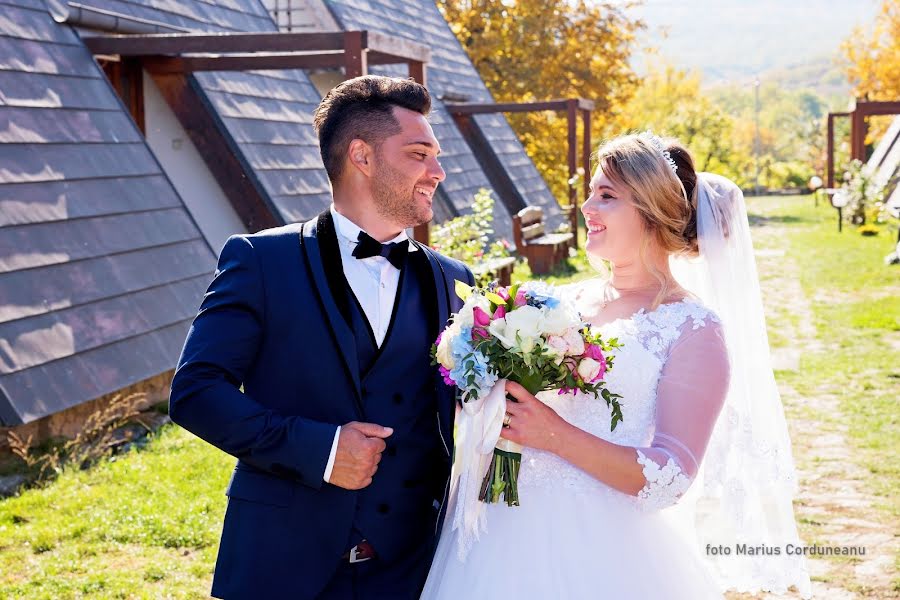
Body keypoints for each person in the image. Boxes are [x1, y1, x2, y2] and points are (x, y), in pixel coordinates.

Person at [422, 132, 812, 599]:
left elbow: (671, 475)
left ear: (652, 211)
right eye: (590, 193)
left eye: (606, 196)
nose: (586, 207)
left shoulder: (692, 329)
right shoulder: (558, 303)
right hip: (496, 530)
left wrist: (554, 436)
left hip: (601, 552)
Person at [169, 75, 473, 599]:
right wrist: (323, 450)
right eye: (420, 153)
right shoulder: (262, 261)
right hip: (285, 566)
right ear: (362, 155)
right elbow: (196, 392)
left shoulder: (454, 279)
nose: (438, 172)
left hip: (417, 570)